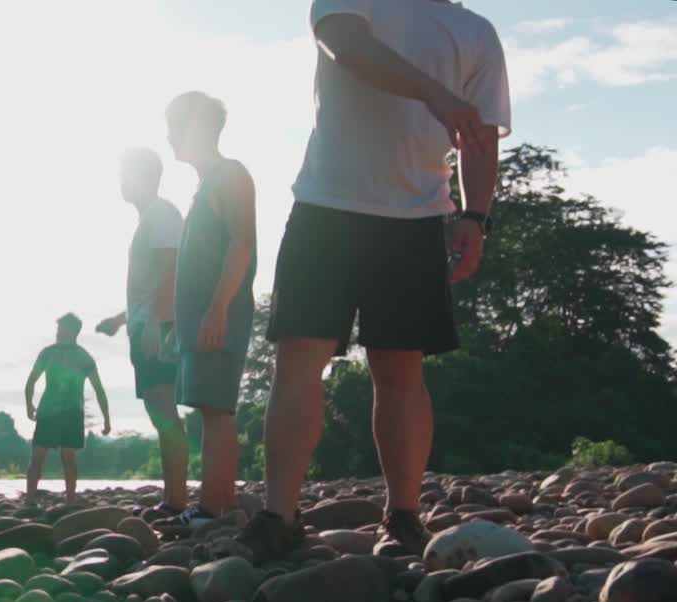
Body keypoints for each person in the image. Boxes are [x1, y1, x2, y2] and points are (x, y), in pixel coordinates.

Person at [244, 0, 511, 562]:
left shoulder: (476, 33)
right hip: (326, 207)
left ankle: (404, 514)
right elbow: (345, 44)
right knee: (299, 359)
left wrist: (475, 216)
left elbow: (480, 136)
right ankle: (278, 515)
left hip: (415, 218)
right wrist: (433, 91)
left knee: (401, 369)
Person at [163, 91, 259, 528]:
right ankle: (223, 502)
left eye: (174, 128)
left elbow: (242, 243)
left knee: (217, 408)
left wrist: (218, 308)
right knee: (207, 406)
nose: (169, 138)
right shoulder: (204, 184)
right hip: (198, 317)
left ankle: (213, 508)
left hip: (219, 314)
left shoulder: (230, 175)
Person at [96, 148, 189, 517]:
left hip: (158, 326)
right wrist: (122, 320)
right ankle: (173, 496)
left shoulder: (162, 214)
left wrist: (154, 322)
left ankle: (176, 499)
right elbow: (153, 281)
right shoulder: (150, 217)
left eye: (127, 174)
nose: (122, 183)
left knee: (164, 409)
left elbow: (173, 269)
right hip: (146, 323)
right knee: (158, 409)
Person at [24, 313, 111, 504]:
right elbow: (31, 381)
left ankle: (70, 500)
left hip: (70, 413)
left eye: (61, 328)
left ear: (72, 331)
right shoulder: (48, 352)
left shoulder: (83, 357)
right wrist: (29, 404)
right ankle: (30, 499)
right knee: (38, 456)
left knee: (68, 458)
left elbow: (99, 389)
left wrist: (107, 419)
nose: (58, 332)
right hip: (49, 412)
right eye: (58, 329)